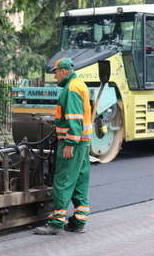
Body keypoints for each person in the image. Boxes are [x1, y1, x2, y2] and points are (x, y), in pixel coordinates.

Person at [34, 57, 92, 235]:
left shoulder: (72, 88)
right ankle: (78, 221)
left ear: (64, 71)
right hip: (84, 143)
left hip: (73, 143)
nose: (55, 76)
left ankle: (56, 223)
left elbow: (74, 119)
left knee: (63, 180)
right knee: (79, 181)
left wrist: (69, 144)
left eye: (56, 72)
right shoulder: (79, 84)